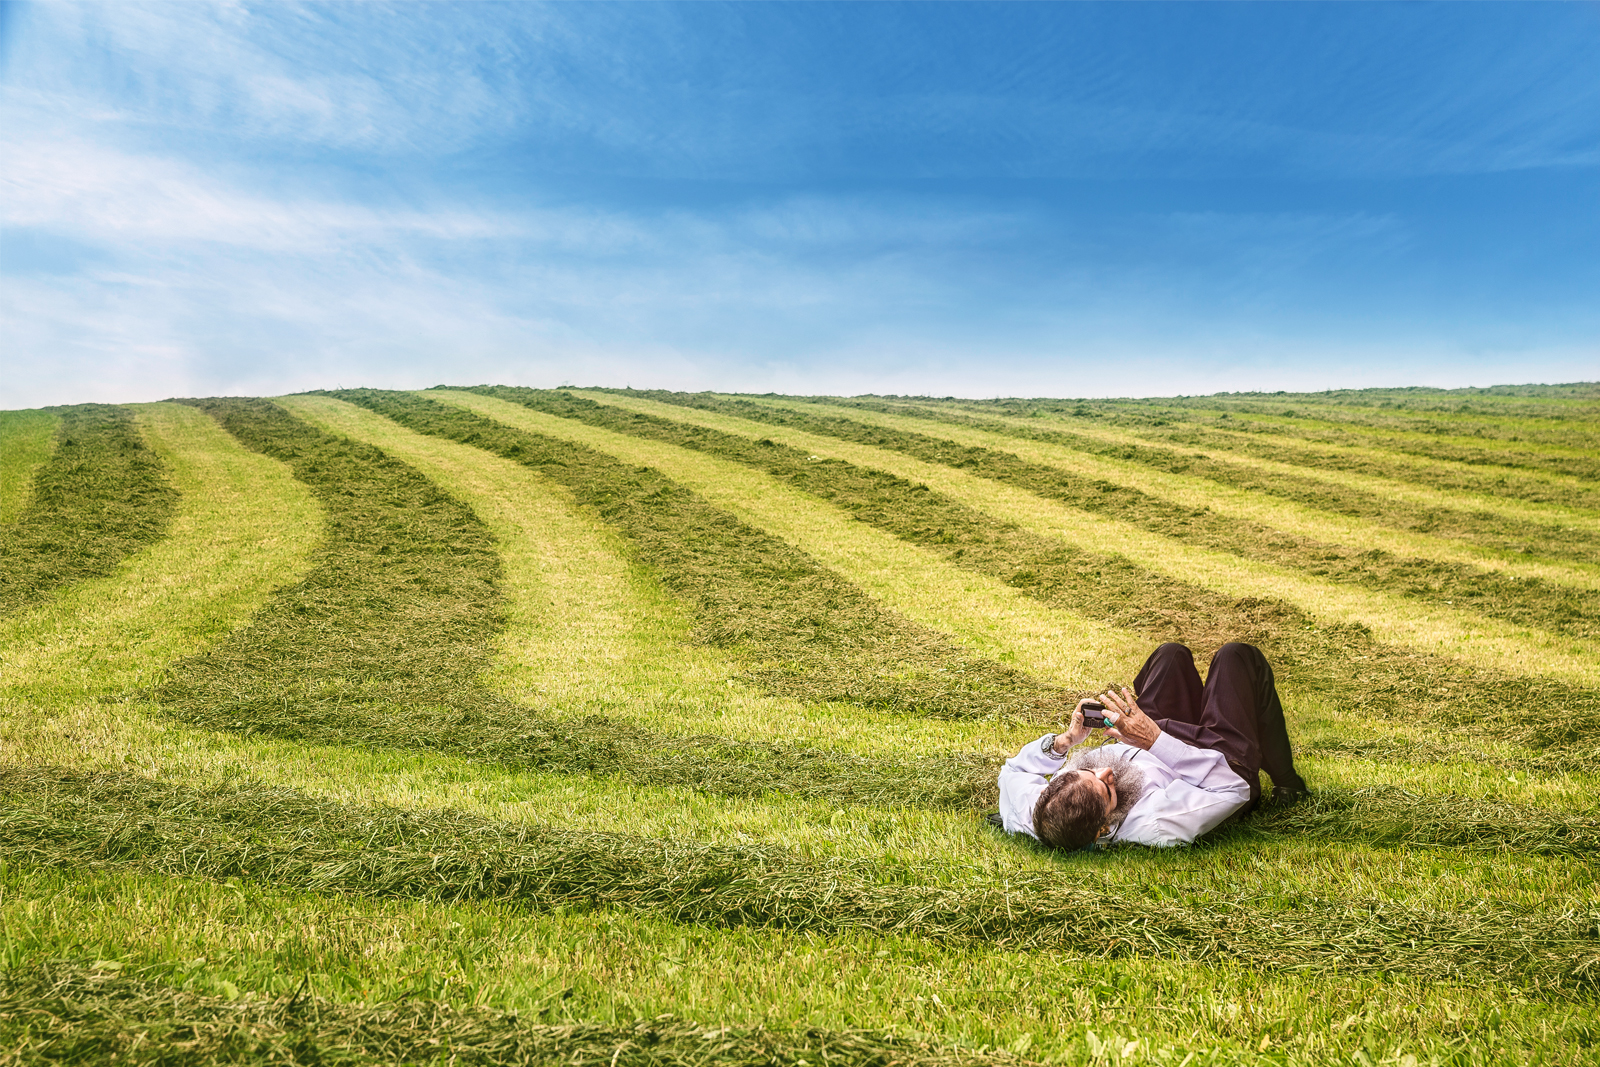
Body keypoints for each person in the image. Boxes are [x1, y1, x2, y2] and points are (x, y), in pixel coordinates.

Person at [997, 642, 1308, 849]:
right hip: (1216, 766)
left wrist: (1066, 741)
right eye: (1107, 789)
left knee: (1170, 655)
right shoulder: (1157, 823)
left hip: (1144, 739)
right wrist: (1153, 739)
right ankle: (1287, 783)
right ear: (1102, 829)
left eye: (1084, 772)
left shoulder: (1034, 812)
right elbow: (1232, 789)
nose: (1104, 771)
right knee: (1236, 656)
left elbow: (1013, 772)